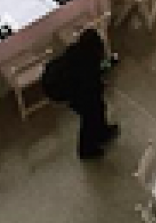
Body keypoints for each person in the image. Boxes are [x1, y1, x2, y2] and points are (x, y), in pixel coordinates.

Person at [42, 26, 120, 160]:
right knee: (89, 116)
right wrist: (101, 82)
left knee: (98, 107)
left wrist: (109, 64)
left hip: (65, 83)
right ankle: (86, 149)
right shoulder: (85, 62)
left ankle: (102, 132)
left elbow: (97, 70)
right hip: (63, 89)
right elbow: (90, 81)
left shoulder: (78, 50)